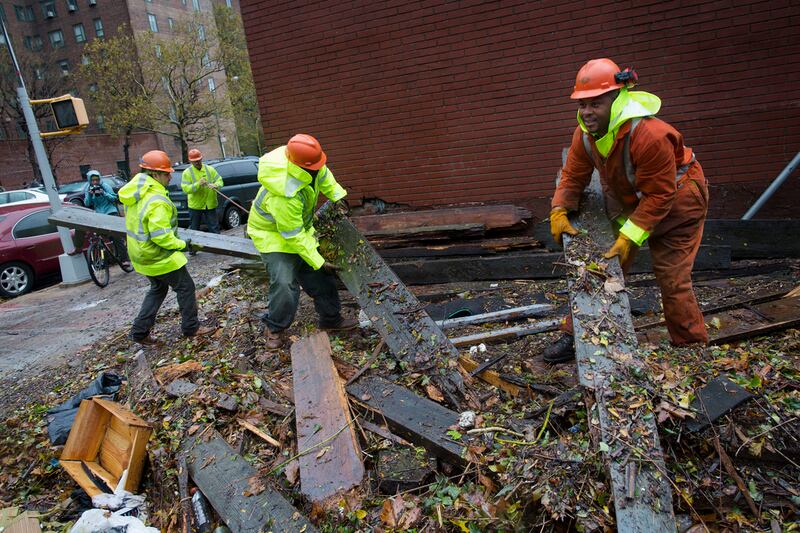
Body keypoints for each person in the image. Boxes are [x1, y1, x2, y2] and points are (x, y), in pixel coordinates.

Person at [546, 58, 709, 363]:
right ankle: (577, 335)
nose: (586, 112)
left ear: (617, 99)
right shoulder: (585, 135)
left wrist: (628, 237)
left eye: (595, 104)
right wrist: (559, 209)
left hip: (679, 202)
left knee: (672, 277)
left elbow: (660, 195)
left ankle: (690, 348)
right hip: (634, 200)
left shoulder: (651, 135)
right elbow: (572, 176)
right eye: (582, 105)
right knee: (602, 265)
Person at [247, 133, 357, 349]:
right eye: (315, 166)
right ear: (300, 166)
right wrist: (319, 260)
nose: (319, 167)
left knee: (320, 278)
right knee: (285, 283)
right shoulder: (284, 193)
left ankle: (331, 320)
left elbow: (324, 176)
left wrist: (338, 197)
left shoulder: (311, 165)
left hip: (297, 230)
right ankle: (275, 327)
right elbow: (293, 236)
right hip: (273, 236)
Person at [119, 150, 215, 345]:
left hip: (140, 254)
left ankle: (139, 332)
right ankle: (191, 328)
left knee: (158, 288)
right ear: (155, 174)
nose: (170, 177)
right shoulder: (156, 200)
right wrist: (183, 244)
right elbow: (161, 237)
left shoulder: (136, 193)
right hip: (158, 256)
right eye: (166, 174)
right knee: (186, 287)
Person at [181, 148, 223, 235]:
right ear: (190, 161)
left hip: (210, 204)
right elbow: (185, 189)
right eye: (194, 161)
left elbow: (220, 181)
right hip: (195, 206)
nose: (197, 162)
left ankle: (217, 243)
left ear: (201, 159)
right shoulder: (187, 173)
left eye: (198, 160)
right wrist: (198, 184)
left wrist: (216, 185)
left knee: (214, 228)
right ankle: (194, 243)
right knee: (194, 229)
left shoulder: (210, 169)